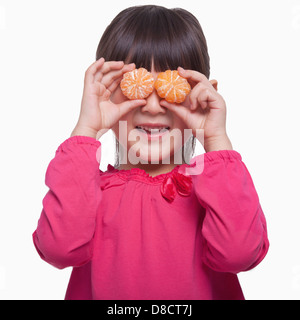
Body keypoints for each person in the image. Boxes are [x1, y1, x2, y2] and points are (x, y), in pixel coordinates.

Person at [33, 5, 269, 300]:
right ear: (103, 93)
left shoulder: (217, 191)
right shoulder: (87, 193)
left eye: (172, 87)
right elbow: (58, 248)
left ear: (204, 94)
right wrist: (86, 129)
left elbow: (239, 253)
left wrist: (215, 138)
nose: (153, 107)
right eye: (137, 88)